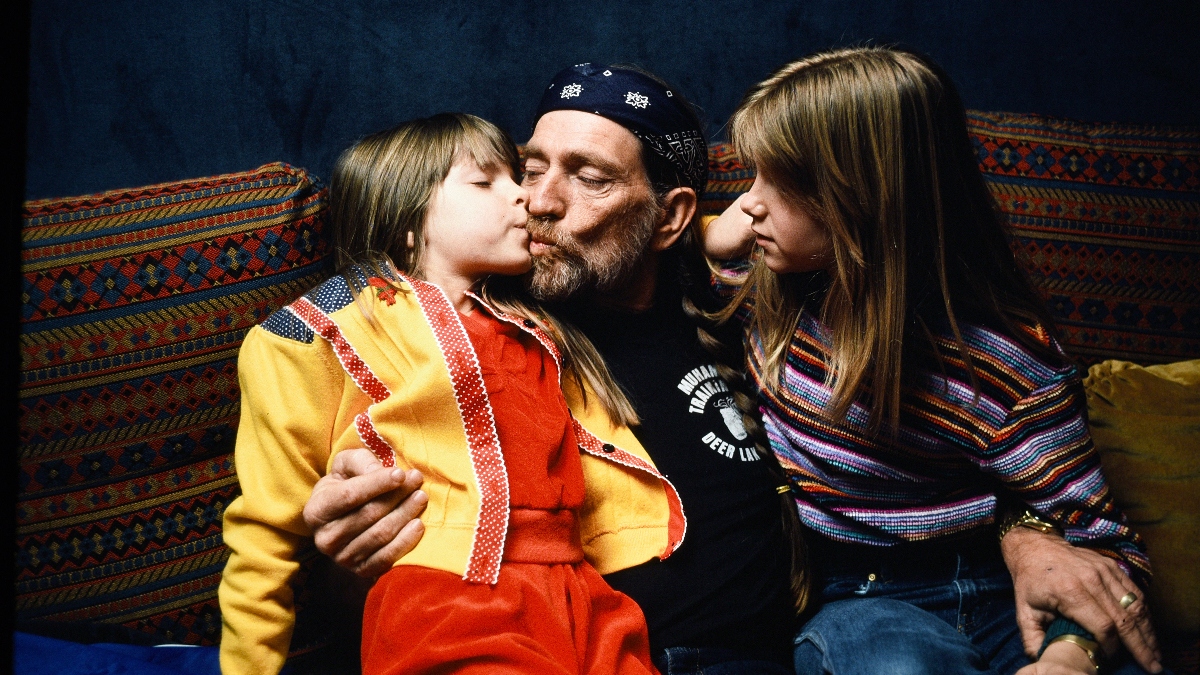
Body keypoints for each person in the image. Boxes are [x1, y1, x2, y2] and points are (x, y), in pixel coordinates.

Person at [299, 62, 1164, 675]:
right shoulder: (480, 326)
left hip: (812, 631)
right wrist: (344, 543)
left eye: (589, 176)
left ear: (671, 216)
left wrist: (1026, 527)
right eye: (528, 168)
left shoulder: (747, 302)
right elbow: (362, 306)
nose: (542, 201)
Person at [701, 46, 1161, 675]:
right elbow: (657, 246)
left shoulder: (1004, 364)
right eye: (752, 176)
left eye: (781, 182)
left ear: (863, 199)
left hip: (992, 585)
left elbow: (1105, 546)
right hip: (859, 594)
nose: (749, 202)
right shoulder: (760, 288)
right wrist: (710, 234)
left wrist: (1070, 657)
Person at [217, 112, 688, 675]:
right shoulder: (322, 331)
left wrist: (721, 231)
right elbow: (264, 534)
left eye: (515, 176)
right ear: (408, 221)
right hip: (450, 596)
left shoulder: (539, 323)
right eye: (486, 181)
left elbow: (662, 242)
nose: (528, 199)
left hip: (580, 593)